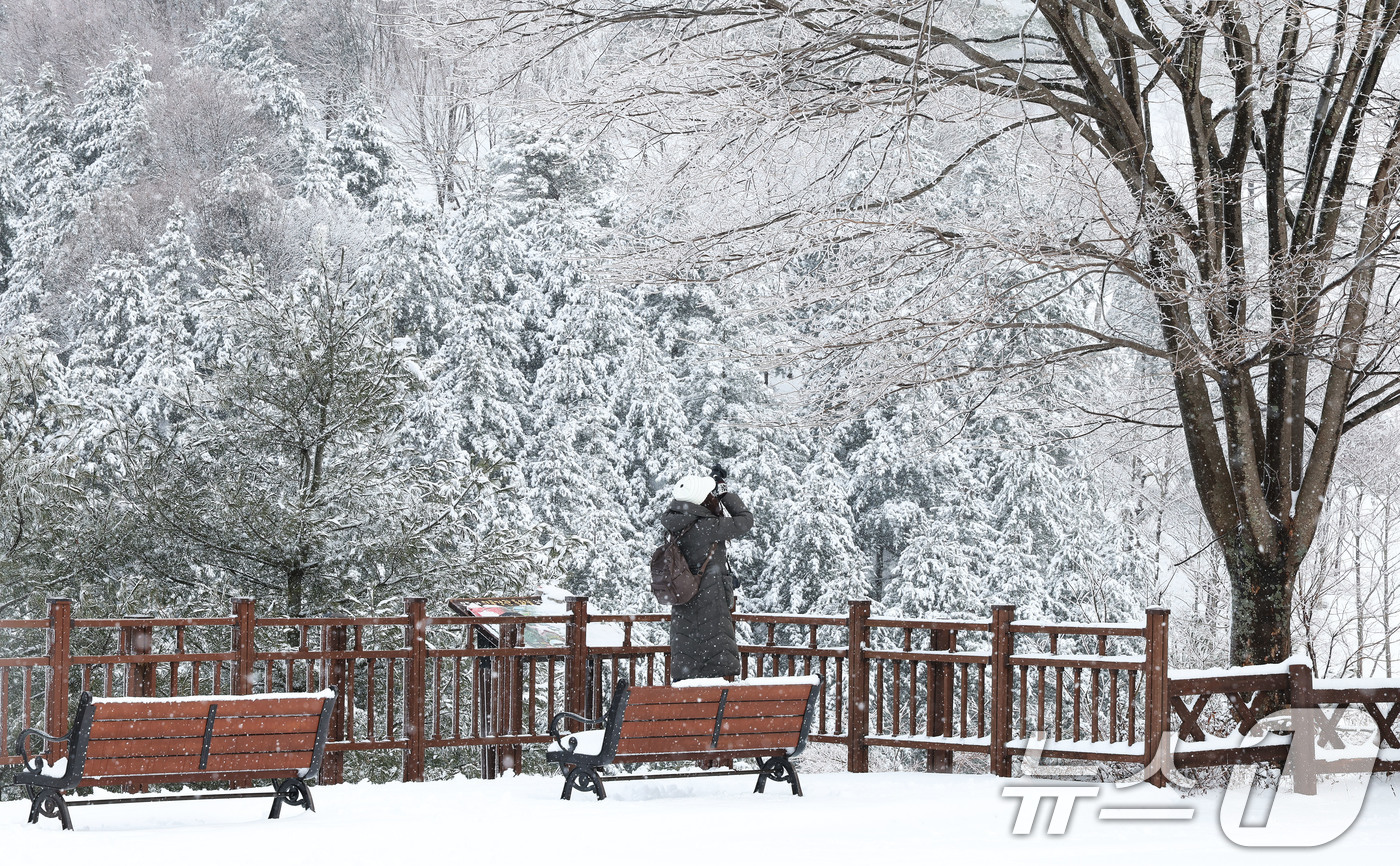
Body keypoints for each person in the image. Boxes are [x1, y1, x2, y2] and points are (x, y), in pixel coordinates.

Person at [660, 464, 754, 682]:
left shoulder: (675, 525)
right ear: (703, 500)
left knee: (689, 665)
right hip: (712, 603)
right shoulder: (708, 527)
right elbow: (745, 520)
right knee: (716, 665)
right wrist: (723, 493)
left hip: (684, 602)